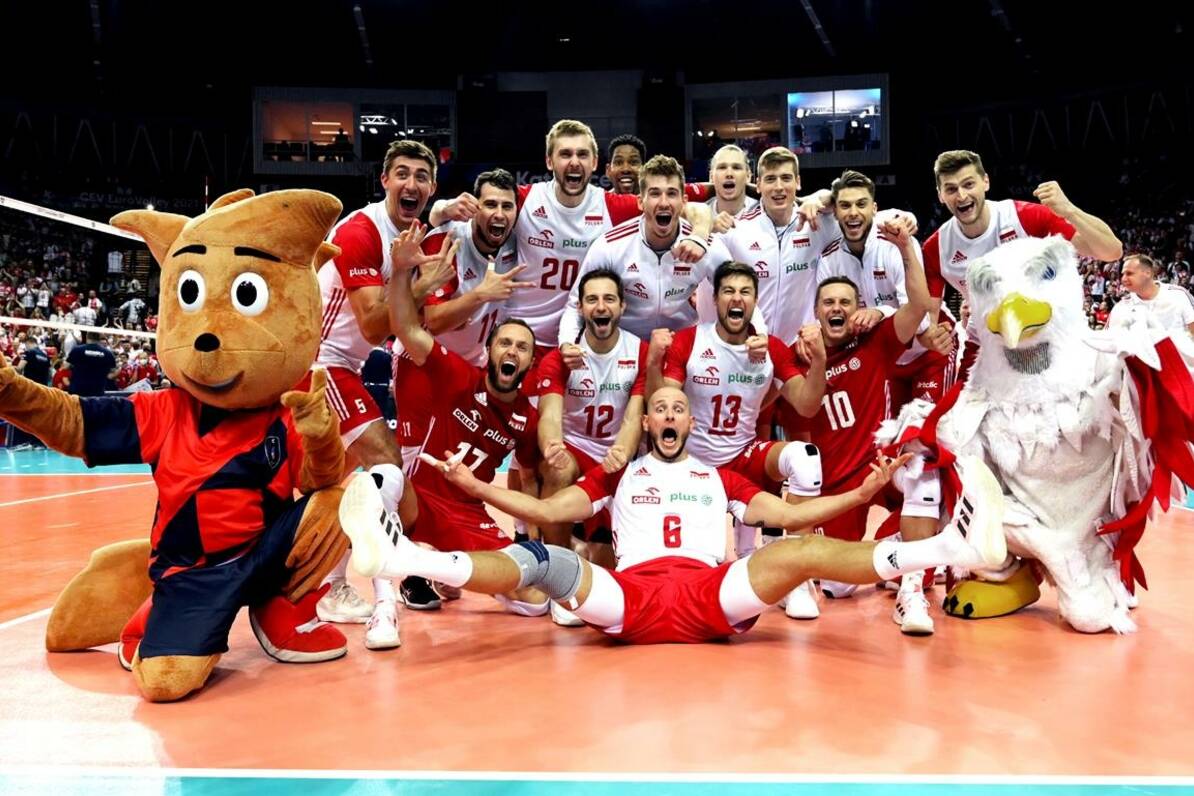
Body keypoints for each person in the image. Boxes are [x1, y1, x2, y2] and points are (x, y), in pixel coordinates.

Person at [336, 386, 1008, 647]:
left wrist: (861, 496)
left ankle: (952, 547)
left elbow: (787, 510)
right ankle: (405, 559)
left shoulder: (719, 477)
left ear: (689, 422)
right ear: (649, 421)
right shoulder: (618, 475)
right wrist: (475, 485)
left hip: (711, 594)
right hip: (629, 598)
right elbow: (543, 509)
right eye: (657, 408)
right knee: (543, 560)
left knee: (795, 550)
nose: (667, 416)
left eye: (677, 409)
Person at [299, 139, 456, 647]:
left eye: (421, 177)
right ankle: (379, 591)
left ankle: (327, 584)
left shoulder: (418, 233)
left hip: (345, 365)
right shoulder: (360, 231)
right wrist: (417, 285)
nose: (411, 183)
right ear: (384, 180)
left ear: (431, 188)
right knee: (386, 464)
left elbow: (415, 317)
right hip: (318, 363)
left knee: (331, 484)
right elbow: (372, 325)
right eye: (402, 173)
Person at [784, 215, 945, 633]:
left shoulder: (876, 340)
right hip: (839, 482)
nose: (836, 308)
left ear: (858, 310)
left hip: (882, 463)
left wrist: (906, 248)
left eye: (845, 302)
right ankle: (905, 548)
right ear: (815, 312)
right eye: (828, 303)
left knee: (922, 470)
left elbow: (919, 306)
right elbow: (800, 414)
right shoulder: (798, 356)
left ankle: (911, 593)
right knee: (838, 587)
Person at [921, 150, 1123, 380]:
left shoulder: (1024, 217)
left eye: (969, 184)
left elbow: (1112, 251)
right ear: (940, 195)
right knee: (959, 404)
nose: (961, 195)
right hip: (988, 344)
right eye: (951, 189)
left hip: (1047, 335)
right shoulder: (936, 248)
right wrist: (932, 338)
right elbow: (929, 322)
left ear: (985, 182)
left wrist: (1070, 210)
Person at [534, 268, 648, 623]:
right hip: (577, 448)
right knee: (558, 466)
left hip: (616, 455)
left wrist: (622, 452)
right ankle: (556, 575)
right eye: (592, 300)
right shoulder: (560, 358)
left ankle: (586, 548)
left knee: (608, 569)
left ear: (622, 306)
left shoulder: (639, 351)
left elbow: (634, 417)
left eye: (609, 299)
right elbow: (549, 415)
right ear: (581, 308)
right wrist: (552, 445)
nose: (601, 307)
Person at [556, 155, 732, 344]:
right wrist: (567, 343)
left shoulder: (705, 245)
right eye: (655, 194)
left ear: (683, 202)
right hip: (626, 347)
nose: (663, 203)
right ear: (641, 202)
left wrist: (750, 338)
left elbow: (739, 290)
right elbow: (575, 305)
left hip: (682, 345)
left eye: (671, 194)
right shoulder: (610, 246)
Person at [1107, 253, 1194, 335]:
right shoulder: (1120, 307)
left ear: (1147, 273)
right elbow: (1110, 340)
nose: (1124, 279)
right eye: (1123, 274)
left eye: (1129, 273)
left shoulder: (1178, 295)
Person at [65, 332, 115, 397]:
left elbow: (66, 366)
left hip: (78, 390)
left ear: (87, 337)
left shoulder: (77, 350)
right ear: (99, 338)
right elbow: (112, 372)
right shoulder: (108, 353)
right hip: (97, 391)